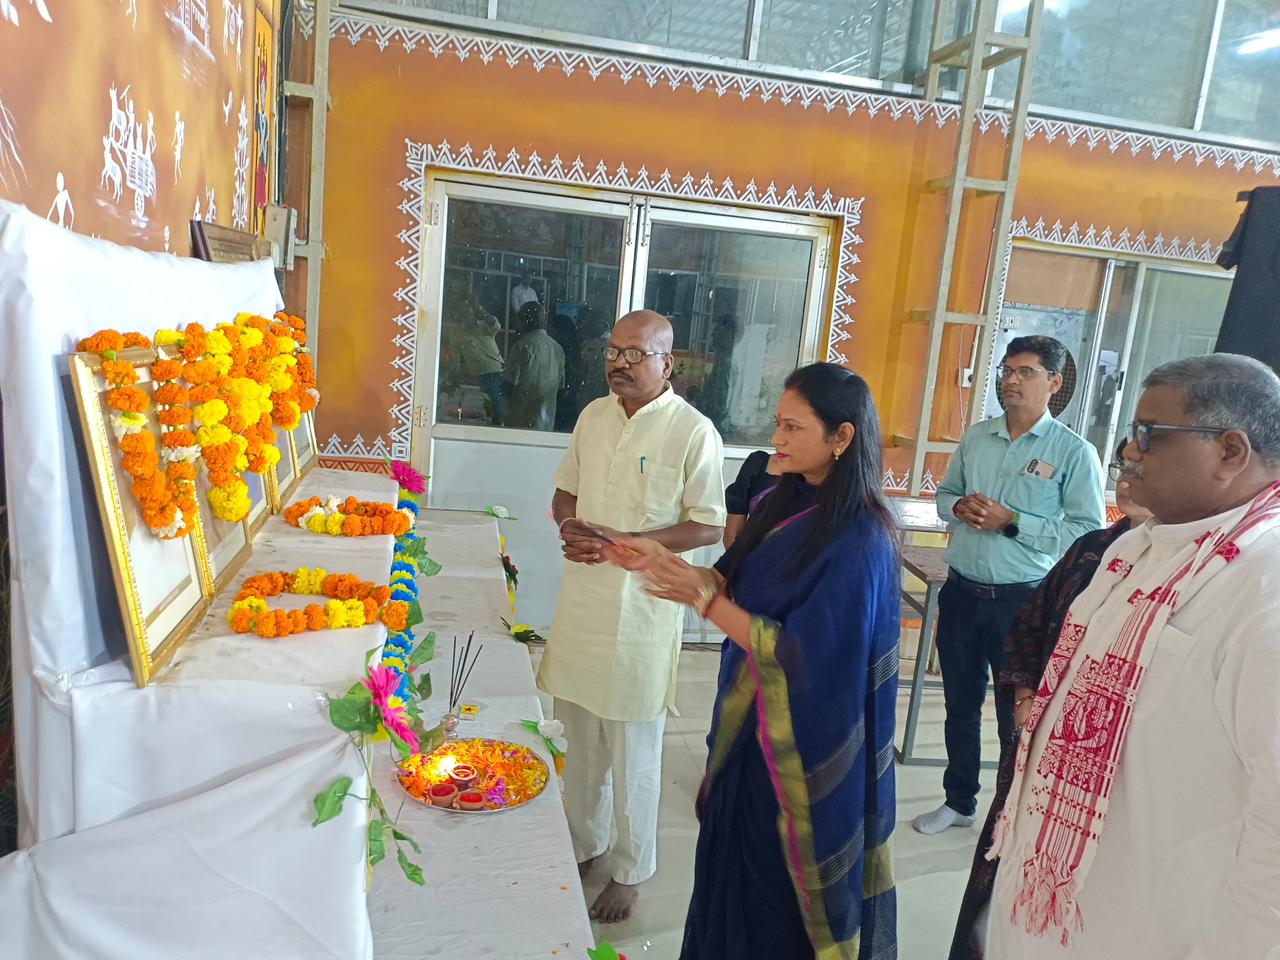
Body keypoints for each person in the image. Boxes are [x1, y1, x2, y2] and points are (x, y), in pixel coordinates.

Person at [981, 353, 1280, 958]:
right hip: (1053, 902)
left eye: (1149, 434)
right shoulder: (1133, 549)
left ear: (1230, 452)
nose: (1128, 451)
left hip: (1154, 926)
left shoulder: (1264, 580)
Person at [600, 363, 899, 959]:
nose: (777, 439)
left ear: (842, 437)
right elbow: (732, 579)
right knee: (729, 870)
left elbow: (803, 655)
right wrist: (661, 560)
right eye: (777, 424)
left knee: (775, 892)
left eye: (793, 427)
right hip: (746, 729)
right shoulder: (780, 500)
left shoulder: (861, 538)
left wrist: (704, 601)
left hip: (800, 749)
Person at [538, 309, 726, 924]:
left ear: (667, 363)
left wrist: (635, 542)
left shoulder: (693, 430)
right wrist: (571, 524)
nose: (619, 363)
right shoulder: (593, 416)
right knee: (578, 735)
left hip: (644, 608)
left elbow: (708, 523)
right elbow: (565, 490)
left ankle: (630, 869)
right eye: (613, 352)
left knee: (634, 749)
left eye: (635, 354)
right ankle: (584, 843)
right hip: (583, 601)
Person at [948, 441, 1152, 960]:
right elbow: (1032, 625)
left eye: (1141, 464)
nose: (1127, 477)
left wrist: (1013, 521)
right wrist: (1025, 695)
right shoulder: (1093, 550)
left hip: (1103, 769)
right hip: (1038, 740)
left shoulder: (1196, 568)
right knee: (1005, 860)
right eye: (1123, 465)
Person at [914, 335, 1105, 836]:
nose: (1010, 380)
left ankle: (1009, 812)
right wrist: (958, 507)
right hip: (961, 592)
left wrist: (1012, 521)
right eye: (1006, 370)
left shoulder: (1073, 452)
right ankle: (959, 801)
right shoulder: (978, 437)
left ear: (1054, 383)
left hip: (1021, 603)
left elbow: (1087, 532)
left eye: (1025, 372)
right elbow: (945, 495)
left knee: (1013, 714)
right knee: (959, 703)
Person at [503, 302, 564, 431]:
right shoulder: (558, 348)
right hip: (546, 424)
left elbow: (509, 385)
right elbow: (561, 388)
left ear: (523, 320)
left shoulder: (522, 346)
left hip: (520, 421)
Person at [455, 292, 506, 425]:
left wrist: (479, 308)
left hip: (496, 374)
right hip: (480, 378)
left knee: (497, 412)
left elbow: (496, 325)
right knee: (489, 412)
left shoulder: (484, 326)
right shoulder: (459, 333)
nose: (468, 316)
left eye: (469, 313)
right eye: (464, 314)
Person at [722, 450, 781, 548]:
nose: (777, 442)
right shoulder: (757, 464)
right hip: (752, 554)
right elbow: (732, 534)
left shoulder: (808, 478)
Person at [577, 308, 612, 404]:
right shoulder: (588, 344)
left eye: (594, 322)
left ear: (605, 325)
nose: (589, 325)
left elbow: (599, 383)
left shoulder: (609, 350)